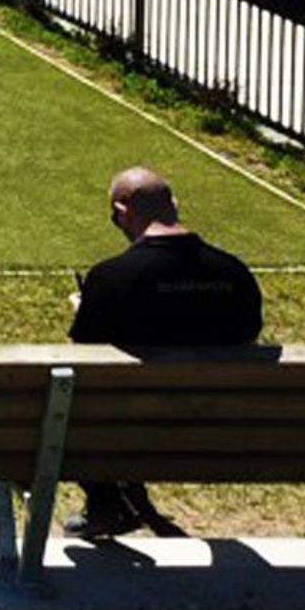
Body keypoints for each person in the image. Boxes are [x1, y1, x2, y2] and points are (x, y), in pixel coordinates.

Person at [66, 165, 264, 539]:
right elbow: (246, 341)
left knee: (68, 397)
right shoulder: (235, 273)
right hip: (225, 433)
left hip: (137, 430)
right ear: (175, 205)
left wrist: (88, 308)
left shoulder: (110, 278)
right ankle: (122, 501)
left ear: (124, 213)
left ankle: (107, 502)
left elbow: (82, 361)